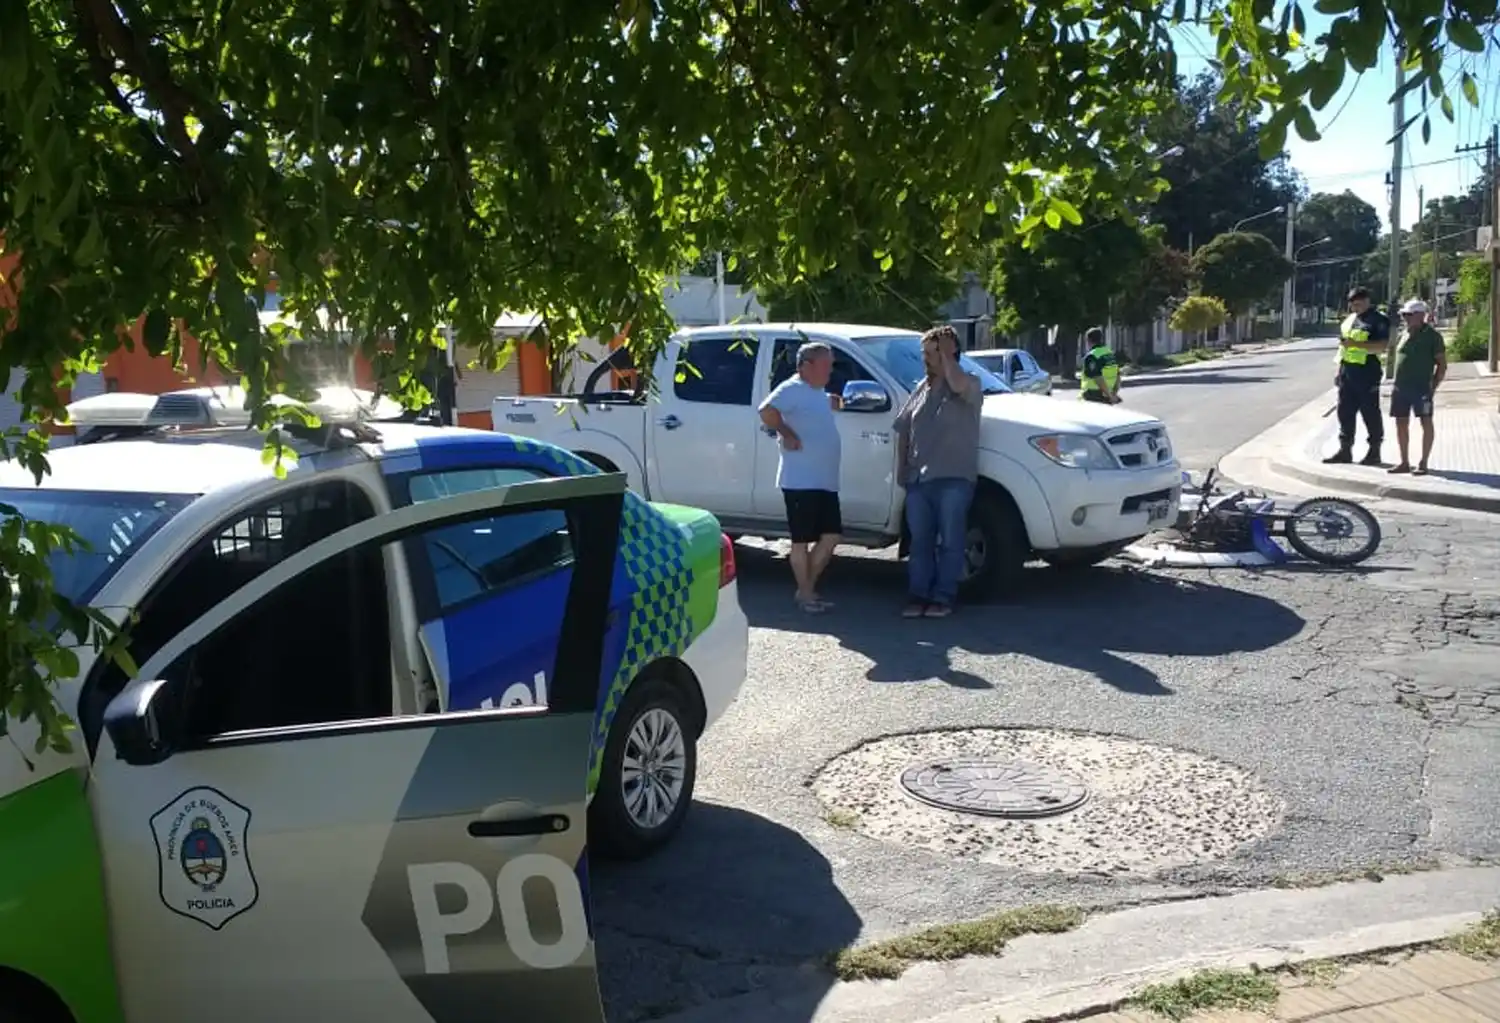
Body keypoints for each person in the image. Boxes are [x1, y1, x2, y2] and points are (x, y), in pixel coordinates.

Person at [893, 324, 983, 619]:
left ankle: (943, 597)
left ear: (950, 352)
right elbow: (903, 427)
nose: (927, 359)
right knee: (920, 542)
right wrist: (902, 468)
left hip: (953, 477)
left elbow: (958, 386)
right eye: (925, 353)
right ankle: (918, 595)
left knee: (951, 540)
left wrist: (947, 357)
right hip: (919, 479)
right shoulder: (921, 387)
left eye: (932, 352)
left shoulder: (969, 382)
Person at [758, 341, 843, 613]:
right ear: (806, 366)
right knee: (801, 540)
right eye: (826, 364)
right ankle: (807, 595)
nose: (830, 369)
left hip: (824, 480)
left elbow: (811, 408)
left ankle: (806, 590)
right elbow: (766, 410)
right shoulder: (791, 388)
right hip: (800, 480)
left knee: (831, 536)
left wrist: (831, 402)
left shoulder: (815, 391)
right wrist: (787, 433)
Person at [1324, 287, 1390, 466]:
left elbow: (1381, 346)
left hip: (1367, 372)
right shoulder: (1350, 320)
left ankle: (1374, 451)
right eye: (1353, 304)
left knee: (1370, 412)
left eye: (1359, 304)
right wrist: (1339, 372)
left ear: (1367, 301)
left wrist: (1357, 344)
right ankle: (1345, 450)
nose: (1355, 307)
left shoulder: (1378, 320)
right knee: (1344, 412)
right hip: (1348, 371)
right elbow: (1343, 347)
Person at [1387, 298, 1447, 476]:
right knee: (1400, 423)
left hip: (1421, 388)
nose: (1405, 318)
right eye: (1404, 315)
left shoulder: (1433, 337)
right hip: (1400, 388)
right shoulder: (1403, 333)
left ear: (1421, 316)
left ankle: (1423, 462)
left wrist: (1433, 387)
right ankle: (1404, 462)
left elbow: (1442, 365)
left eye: (1409, 315)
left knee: (1426, 422)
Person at [1079, 327, 1121, 404]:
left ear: (1088, 340)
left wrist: (1110, 396)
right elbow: (1118, 376)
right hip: (1107, 395)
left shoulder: (1092, 356)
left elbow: (1098, 377)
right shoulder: (1110, 353)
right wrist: (1113, 394)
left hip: (1093, 395)